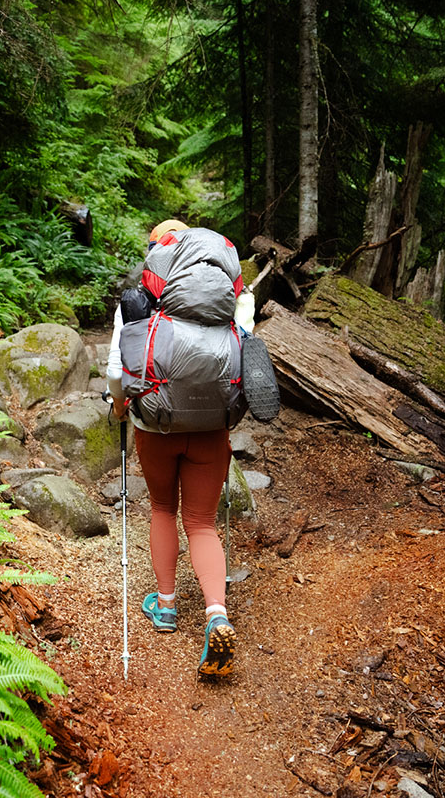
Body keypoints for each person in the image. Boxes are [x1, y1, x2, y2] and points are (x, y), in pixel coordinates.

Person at [105, 219, 255, 677]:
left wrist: (118, 408)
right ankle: (216, 614)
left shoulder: (136, 304)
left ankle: (166, 605)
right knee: (203, 522)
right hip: (212, 430)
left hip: (156, 426)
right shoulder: (235, 301)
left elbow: (117, 372)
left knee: (163, 510)